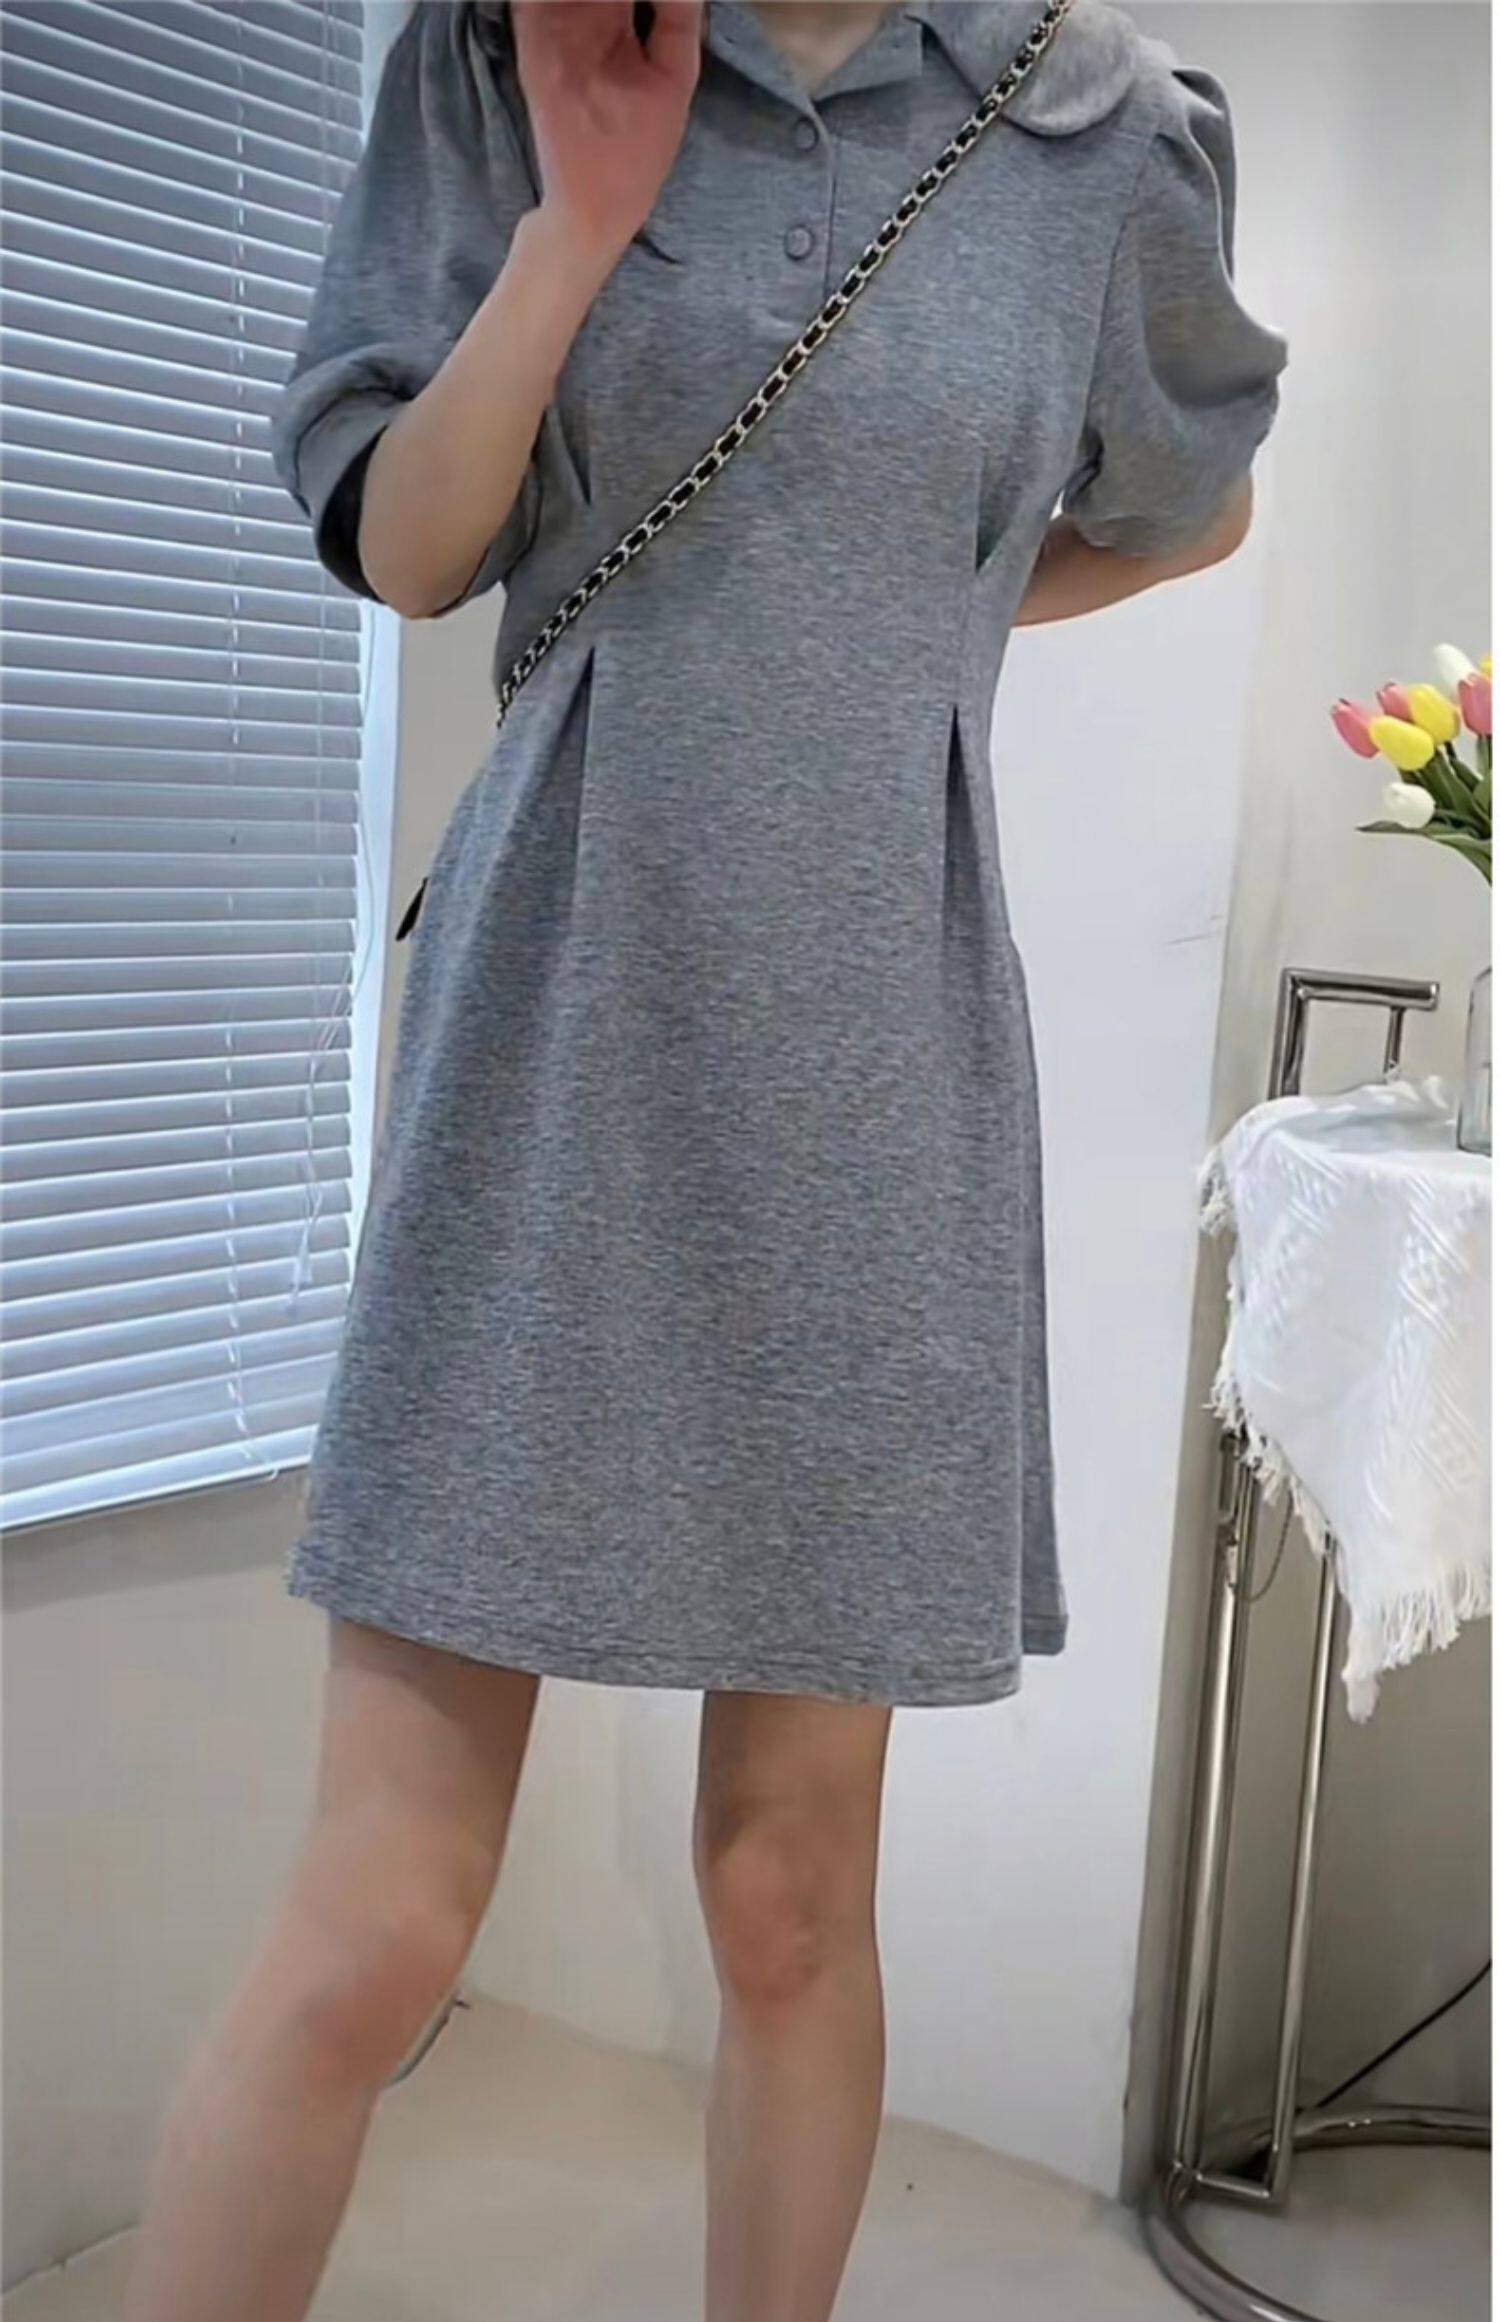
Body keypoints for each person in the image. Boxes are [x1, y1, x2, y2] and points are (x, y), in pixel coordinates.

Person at [122, 3, 1288, 2316]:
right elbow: (411, 552)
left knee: (788, 1896)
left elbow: (1191, 502)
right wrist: (578, 224)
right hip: (557, 1017)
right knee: (379, 1921)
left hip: (876, 1053)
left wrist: (918, 607)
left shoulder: (1101, 127)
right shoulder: (511, 49)